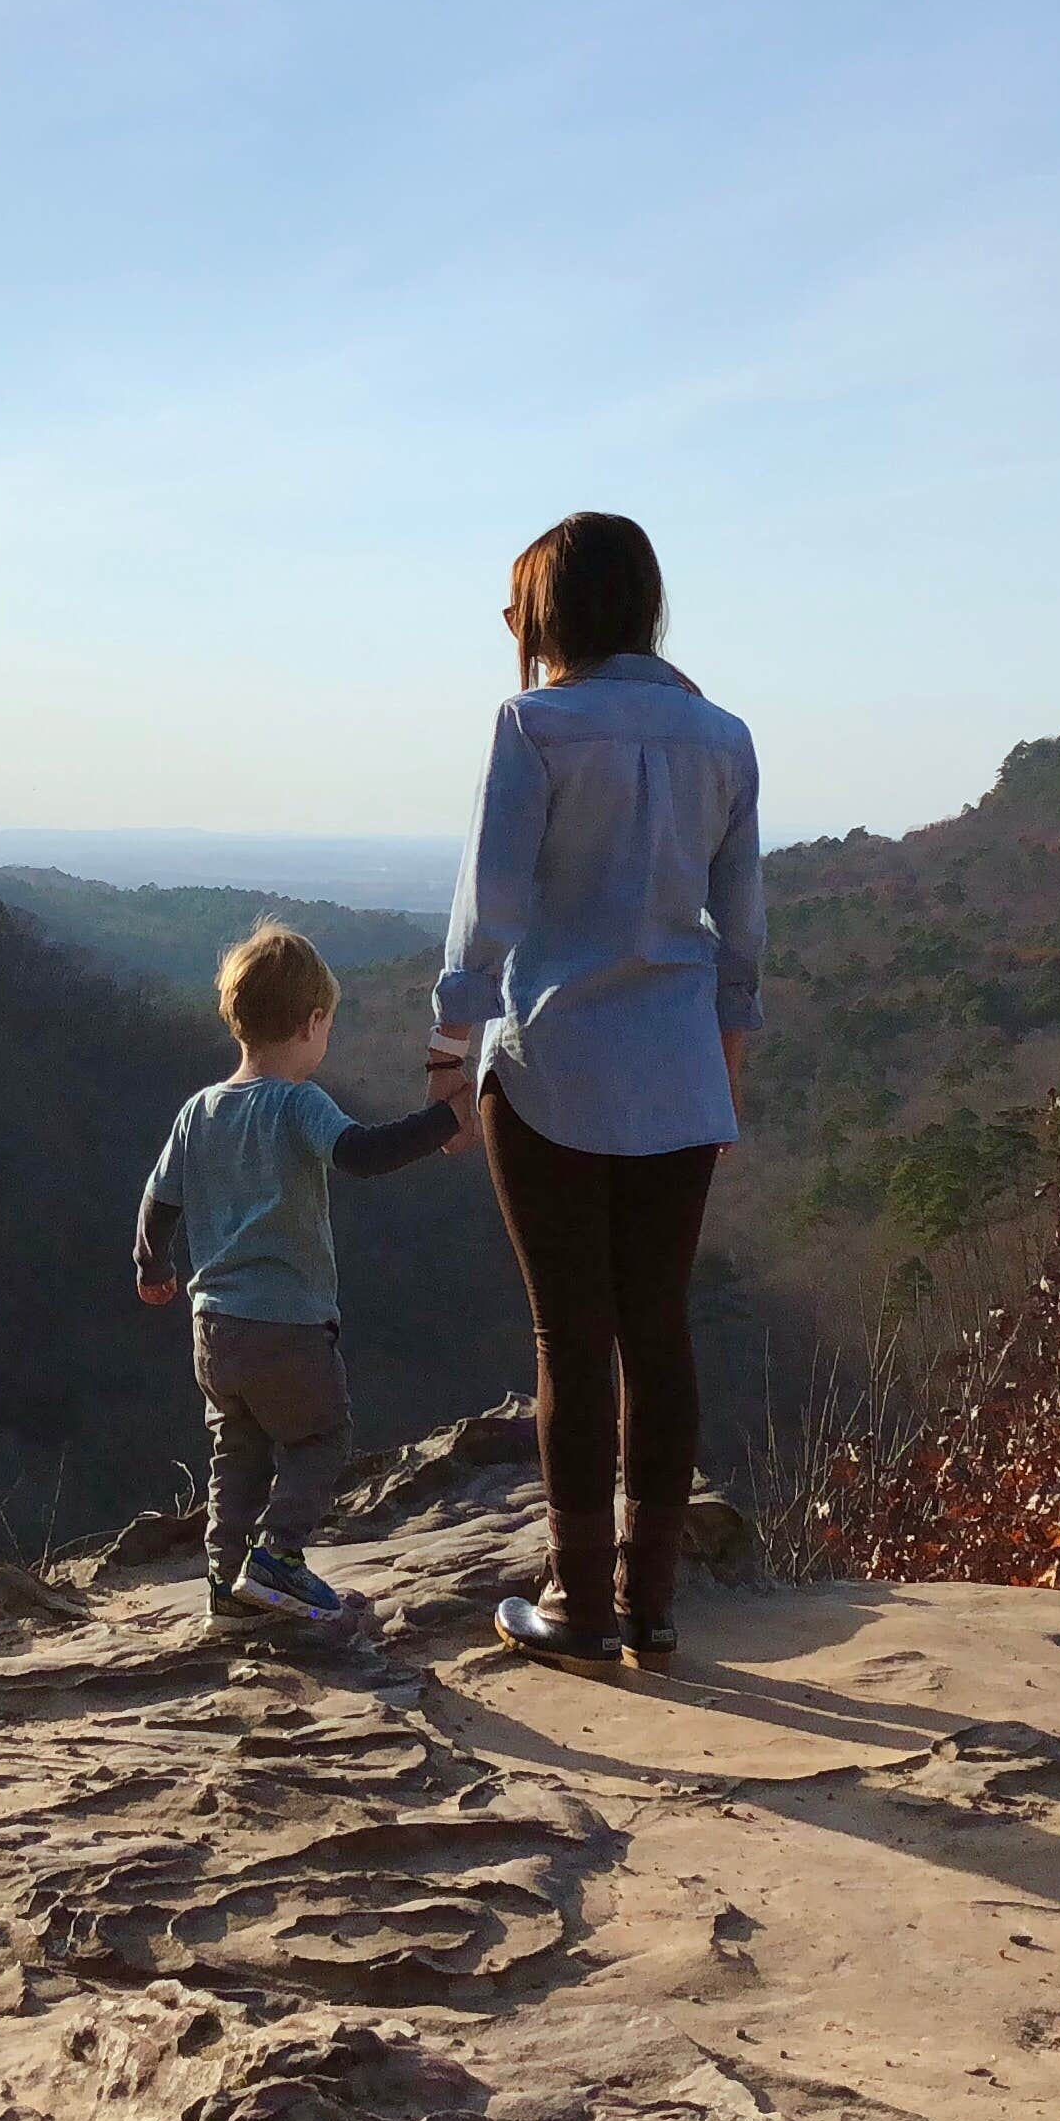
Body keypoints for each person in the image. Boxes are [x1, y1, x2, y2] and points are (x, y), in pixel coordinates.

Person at [429, 513, 762, 1671]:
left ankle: (578, 1607)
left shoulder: (533, 725)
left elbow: (492, 904)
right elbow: (743, 927)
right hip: (678, 1065)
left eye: (520, 603)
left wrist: (447, 1042)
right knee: (658, 1330)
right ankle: (654, 1609)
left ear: (556, 611)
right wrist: (727, 1054)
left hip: (551, 1059)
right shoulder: (723, 735)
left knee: (571, 1341)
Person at [134, 923, 469, 1627]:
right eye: (328, 1028)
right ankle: (279, 1558)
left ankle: (228, 1592)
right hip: (286, 1325)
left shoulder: (199, 1109)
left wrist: (153, 1265)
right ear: (313, 1023)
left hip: (213, 1328)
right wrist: (443, 1120)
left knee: (239, 1453)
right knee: (321, 1437)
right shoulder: (296, 1103)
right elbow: (363, 1155)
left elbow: (160, 1199)